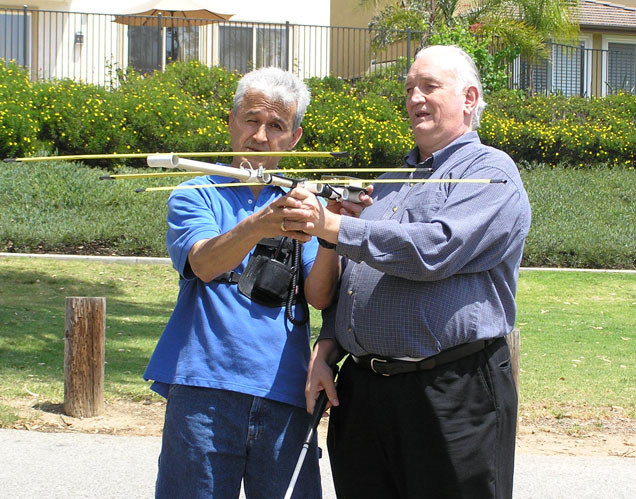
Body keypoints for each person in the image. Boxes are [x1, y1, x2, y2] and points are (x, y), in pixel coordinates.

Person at [296, 45, 532, 499]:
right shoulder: (387, 182)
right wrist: (327, 345)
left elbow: (434, 250)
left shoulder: (492, 172)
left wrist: (333, 226)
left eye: (429, 86)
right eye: (409, 89)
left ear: (469, 98)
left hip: (450, 393)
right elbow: (355, 281)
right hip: (364, 395)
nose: (415, 98)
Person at [144, 67, 363, 499]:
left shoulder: (304, 204)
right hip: (203, 389)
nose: (260, 137)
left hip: (285, 391)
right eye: (251, 120)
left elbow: (320, 296)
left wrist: (330, 235)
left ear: (294, 138)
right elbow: (204, 263)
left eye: (276, 126)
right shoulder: (195, 193)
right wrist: (259, 224)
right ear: (231, 122)